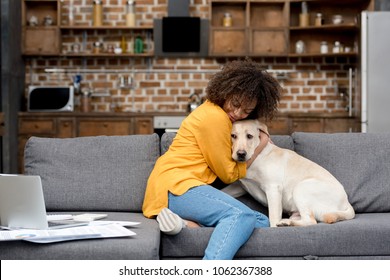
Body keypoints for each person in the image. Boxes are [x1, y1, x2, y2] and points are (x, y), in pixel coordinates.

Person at [142, 59, 282, 260]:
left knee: (260, 220)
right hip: (176, 186)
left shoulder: (217, 114)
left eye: (246, 111)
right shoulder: (214, 117)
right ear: (225, 91)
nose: (237, 113)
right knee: (241, 215)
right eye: (235, 104)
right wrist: (260, 145)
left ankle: (185, 223)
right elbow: (228, 174)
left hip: (182, 188)